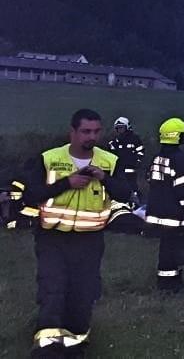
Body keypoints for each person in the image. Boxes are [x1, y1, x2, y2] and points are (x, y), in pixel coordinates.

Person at [20, 108, 132, 356]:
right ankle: (48, 347)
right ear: (72, 132)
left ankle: (74, 343)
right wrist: (65, 183)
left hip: (89, 241)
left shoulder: (109, 162)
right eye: (85, 131)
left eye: (96, 131)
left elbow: (125, 193)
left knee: (82, 292)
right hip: (53, 238)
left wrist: (104, 178)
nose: (91, 137)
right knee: (53, 288)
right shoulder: (49, 158)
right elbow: (31, 195)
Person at [144, 118, 184, 292]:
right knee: (174, 248)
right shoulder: (179, 159)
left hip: (156, 210)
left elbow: (149, 179)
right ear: (178, 136)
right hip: (174, 213)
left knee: (166, 247)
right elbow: (183, 188)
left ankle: (165, 280)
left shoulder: (158, 158)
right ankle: (171, 284)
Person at [106, 117, 145, 205]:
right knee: (118, 187)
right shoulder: (114, 142)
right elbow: (109, 156)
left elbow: (141, 151)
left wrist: (137, 162)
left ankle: (136, 204)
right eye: (118, 128)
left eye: (122, 127)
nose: (120, 130)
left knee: (133, 187)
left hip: (131, 170)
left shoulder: (135, 139)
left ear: (127, 127)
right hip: (118, 171)